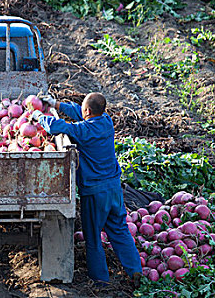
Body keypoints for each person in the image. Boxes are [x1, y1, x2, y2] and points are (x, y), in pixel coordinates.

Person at [31, 92, 142, 288]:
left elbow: (58, 127)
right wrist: (57, 105)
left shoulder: (84, 130)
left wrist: (39, 117)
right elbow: (78, 112)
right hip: (114, 188)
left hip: (95, 191)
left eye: (83, 109)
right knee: (120, 229)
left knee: (92, 237)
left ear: (88, 111)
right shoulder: (106, 121)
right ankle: (135, 271)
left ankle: (100, 281)